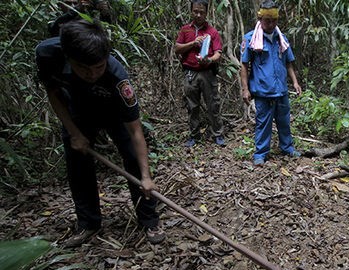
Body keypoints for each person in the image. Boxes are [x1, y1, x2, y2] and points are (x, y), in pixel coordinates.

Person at [36, 19, 165, 246]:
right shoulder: (48, 55)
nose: (92, 74)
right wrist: (74, 132)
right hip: (76, 111)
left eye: (98, 67)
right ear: (68, 57)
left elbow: (135, 130)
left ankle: (149, 219)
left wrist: (146, 177)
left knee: (134, 158)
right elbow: (53, 94)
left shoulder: (118, 78)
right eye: (84, 68)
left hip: (113, 112)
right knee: (78, 164)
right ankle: (88, 223)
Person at [239, 0, 302, 166]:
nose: (271, 24)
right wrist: (245, 89)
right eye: (268, 20)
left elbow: (288, 63)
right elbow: (244, 65)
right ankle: (260, 153)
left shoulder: (281, 38)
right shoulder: (251, 39)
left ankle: (287, 147)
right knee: (263, 124)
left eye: (274, 20)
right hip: (262, 91)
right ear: (260, 19)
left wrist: (295, 82)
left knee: (284, 121)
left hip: (281, 90)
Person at [175, 0, 225, 148]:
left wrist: (209, 60)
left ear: (206, 13)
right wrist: (192, 43)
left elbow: (218, 54)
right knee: (192, 106)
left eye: (201, 12)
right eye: (195, 11)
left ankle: (218, 134)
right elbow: (177, 48)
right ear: (191, 11)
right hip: (190, 73)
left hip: (207, 73)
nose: (198, 14)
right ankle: (194, 135)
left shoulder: (212, 31)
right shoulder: (185, 30)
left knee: (213, 104)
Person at [48, 0, 114, 37]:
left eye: (75, 3)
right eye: (68, 3)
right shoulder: (53, 15)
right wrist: (76, 9)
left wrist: (105, 13)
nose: (72, 6)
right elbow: (55, 27)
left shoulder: (85, 16)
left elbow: (103, 31)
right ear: (60, 4)